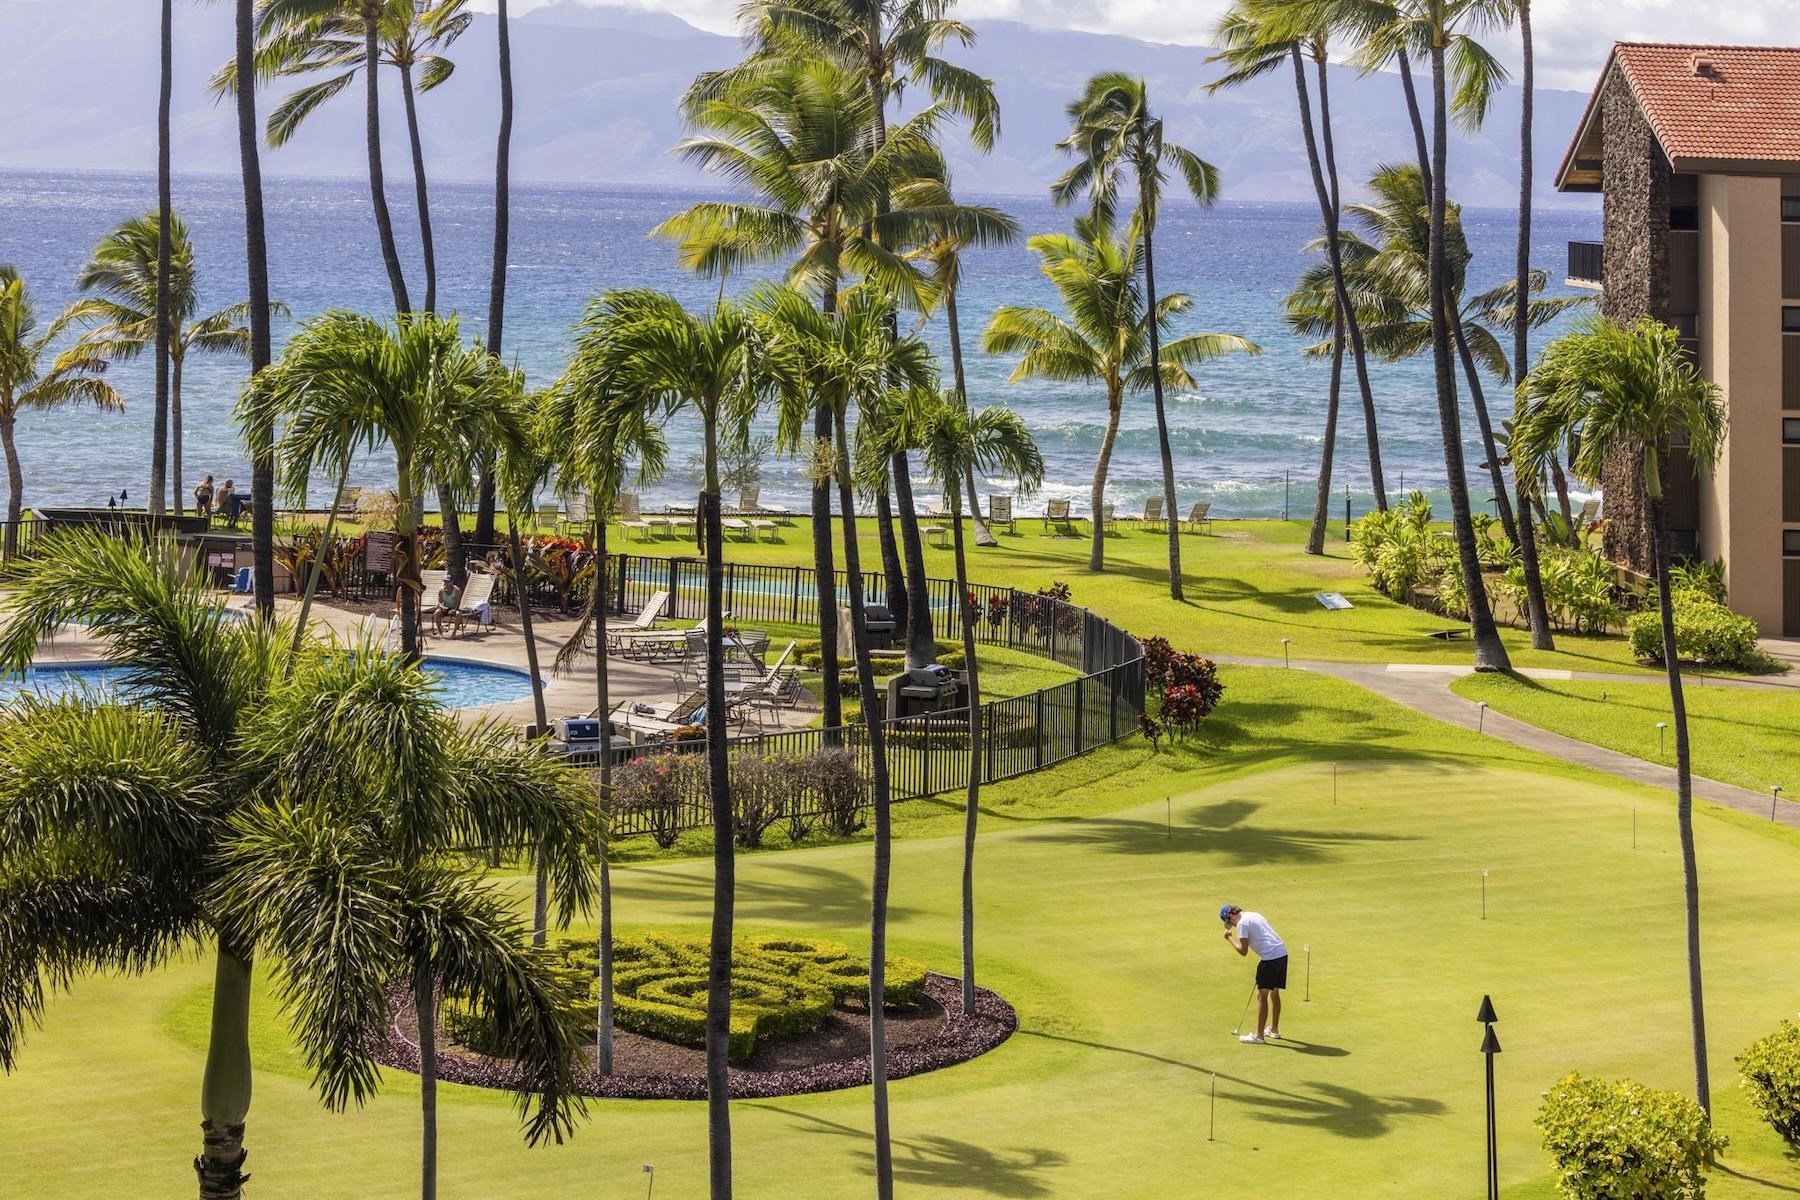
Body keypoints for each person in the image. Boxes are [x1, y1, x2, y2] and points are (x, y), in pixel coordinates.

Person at [1221, 903, 1288, 1044]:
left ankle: (1259, 1036)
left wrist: (1229, 938)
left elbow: (1243, 951)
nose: (1231, 925)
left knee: (1261, 996)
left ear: (1230, 917)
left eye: (1228, 922)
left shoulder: (1242, 924)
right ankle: (1273, 1030)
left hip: (1270, 958)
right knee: (1274, 992)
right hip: (1281, 953)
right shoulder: (1254, 914)